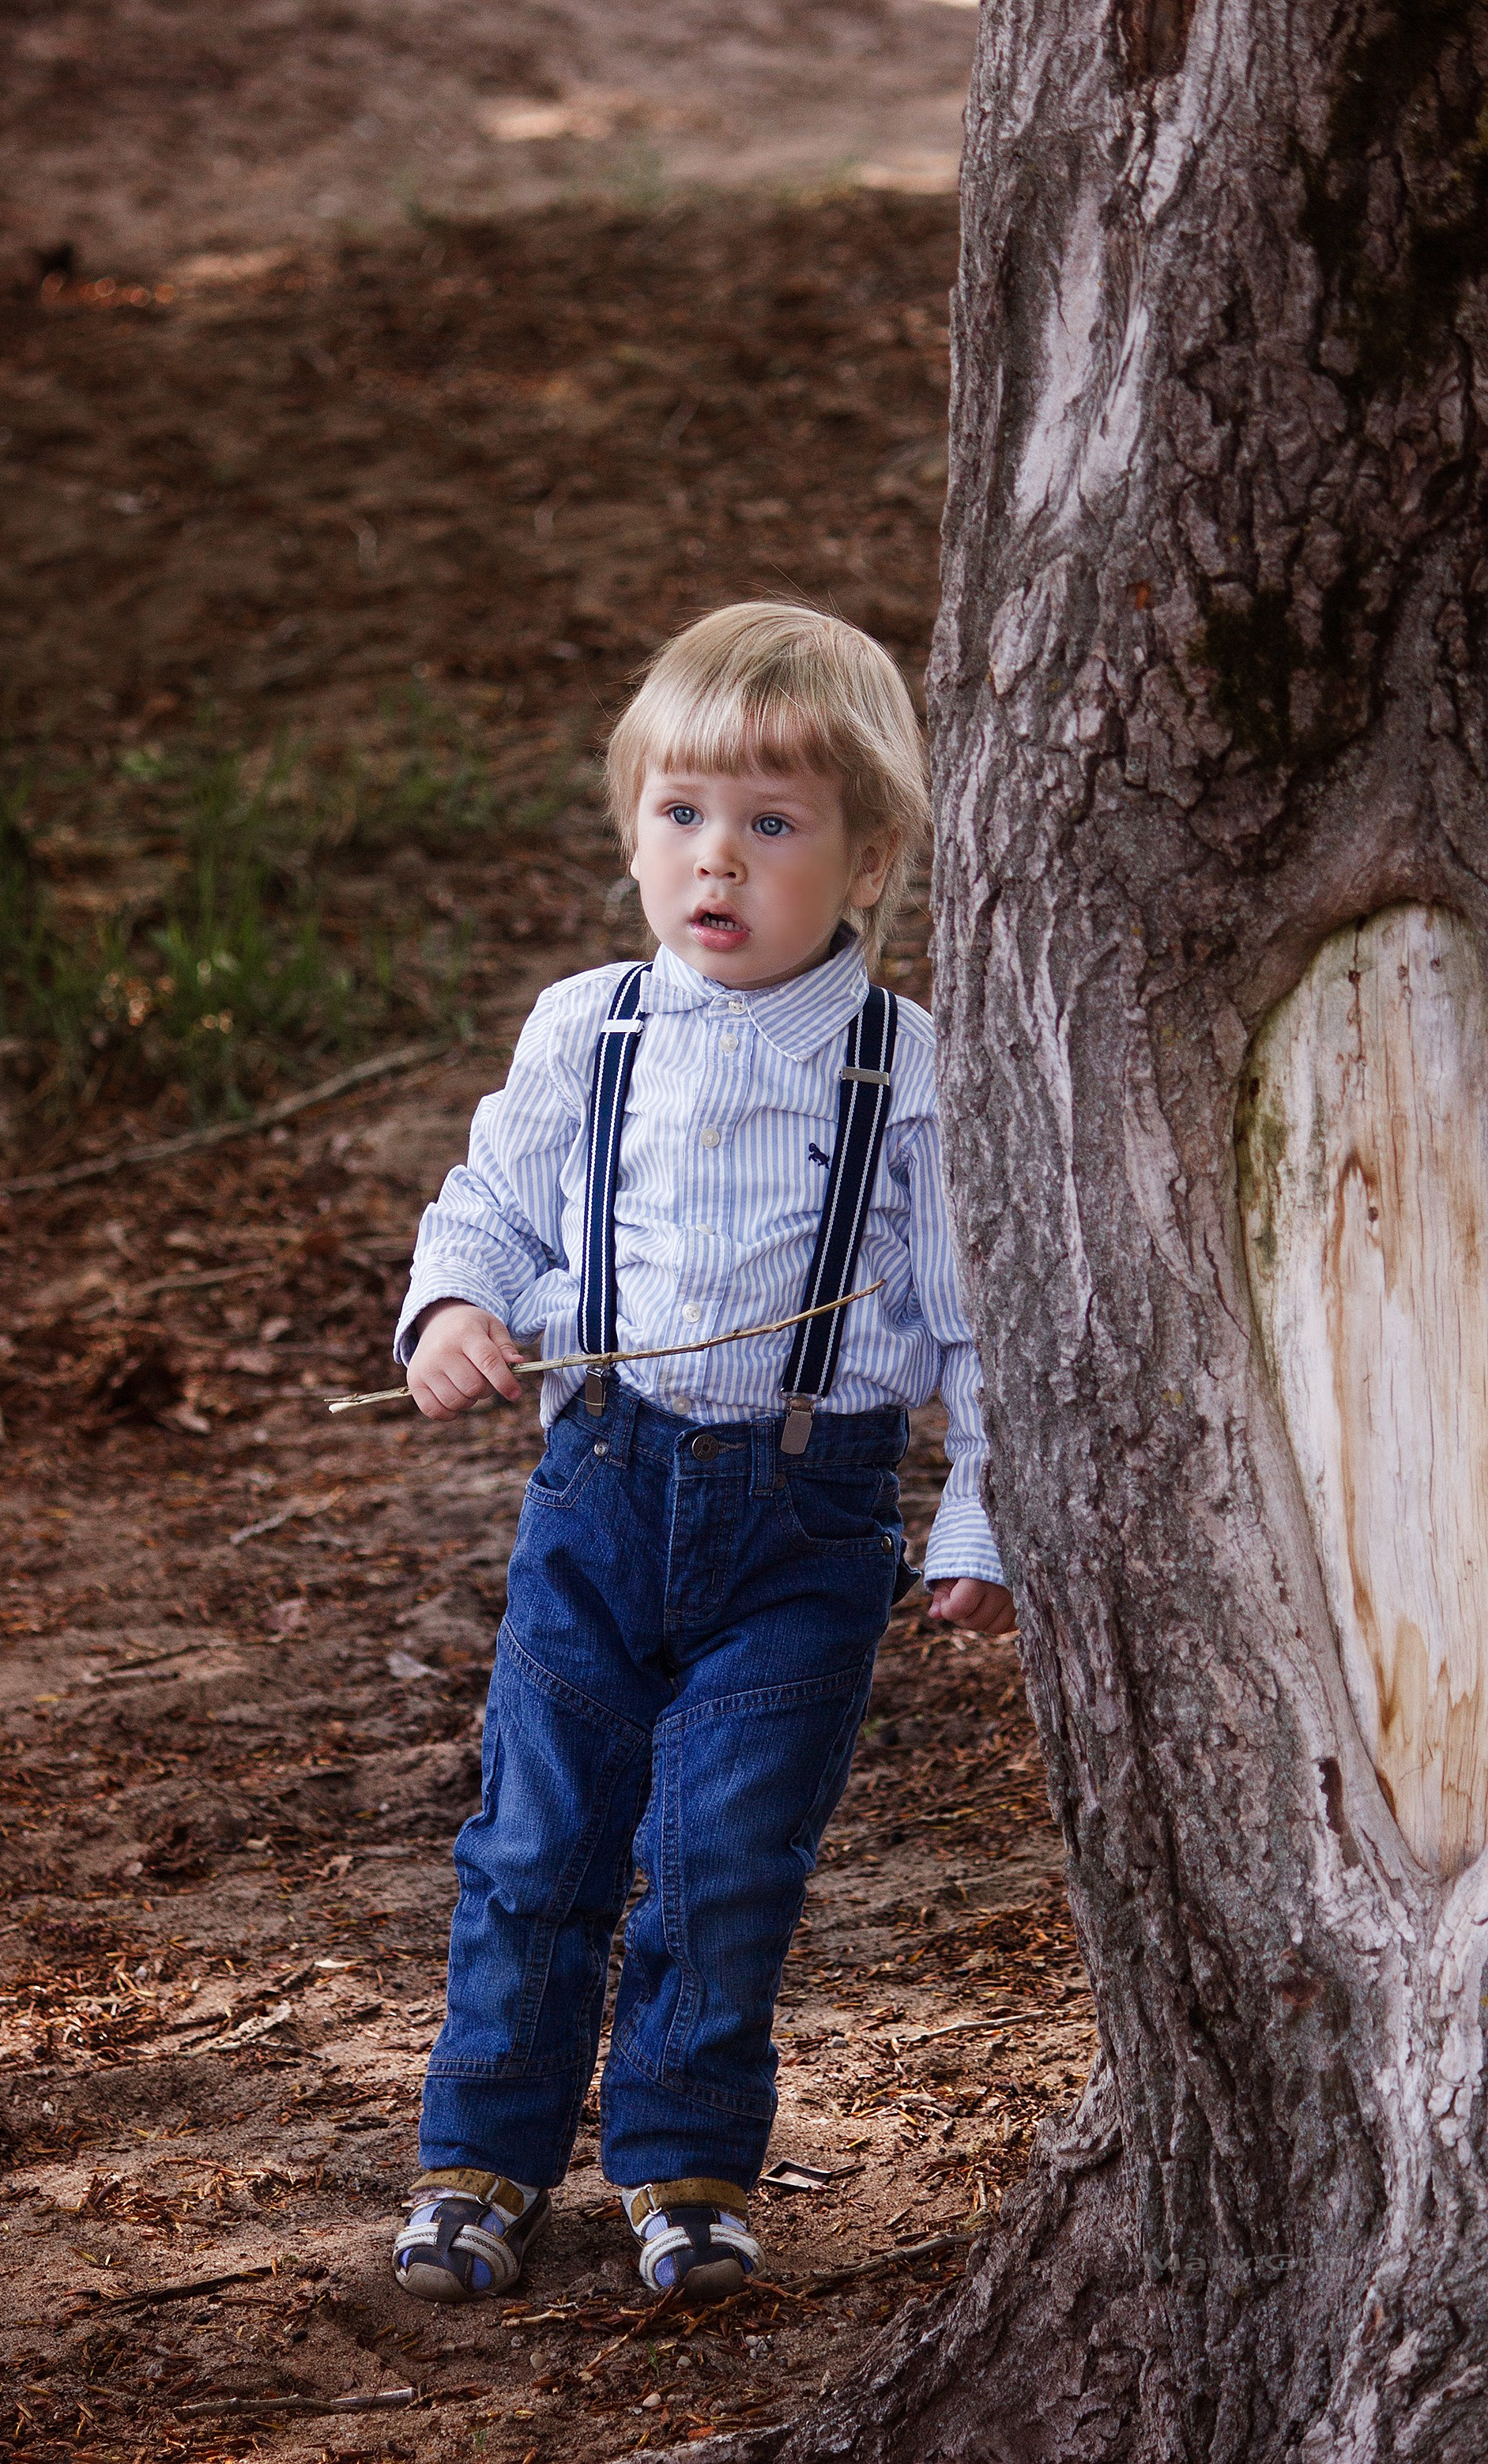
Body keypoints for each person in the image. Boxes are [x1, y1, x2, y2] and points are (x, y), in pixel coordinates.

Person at [388, 601, 1013, 2308]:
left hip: (806, 1523)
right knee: (535, 1841)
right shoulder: (585, 1030)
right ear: (633, 833)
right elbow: (497, 1208)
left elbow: (977, 1322)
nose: (715, 859)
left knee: (728, 1854)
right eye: (680, 815)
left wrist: (977, 1520)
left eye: (771, 821)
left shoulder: (912, 1068)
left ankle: (684, 2162)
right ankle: (479, 2156)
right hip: (596, 1491)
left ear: (868, 854)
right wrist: (454, 1305)